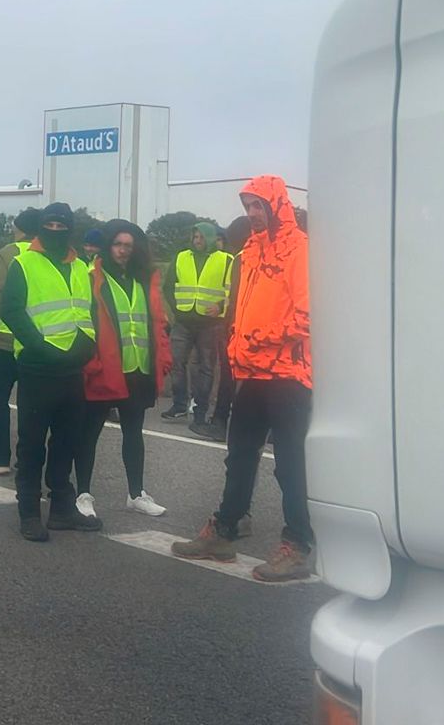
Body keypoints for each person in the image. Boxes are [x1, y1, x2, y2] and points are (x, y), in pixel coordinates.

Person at [172, 176, 315, 582]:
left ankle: (298, 544)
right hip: (251, 371)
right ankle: (225, 529)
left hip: (288, 374)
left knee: (290, 464)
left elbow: (306, 317)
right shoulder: (249, 252)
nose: (252, 212)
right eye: (248, 205)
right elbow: (243, 309)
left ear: (276, 205)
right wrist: (238, 342)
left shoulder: (299, 250)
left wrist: (257, 339)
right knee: (239, 456)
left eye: (259, 205)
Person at [0, 202, 100, 542]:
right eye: (51, 225)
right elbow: (12, 312)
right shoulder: (23, 263)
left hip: (73, 368)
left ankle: (61, 509)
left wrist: (87, 346)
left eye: (62, 226)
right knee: (31, 444)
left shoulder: (81, 266)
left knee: (67, 442)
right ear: (42, 227)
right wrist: (41, 348)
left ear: (70, 228)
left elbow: (88, 312)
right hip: (37, 367)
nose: (56, 230)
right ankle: (29, 511)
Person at [75, 220, 171, 519]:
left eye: (128, 246)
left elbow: (156, 323)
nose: (123, 251)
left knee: (134, 434)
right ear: (108, 246)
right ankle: (83, 494)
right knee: (89, 434)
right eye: (118, 244)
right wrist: (90, 362)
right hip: (104, 369)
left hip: (137, 369)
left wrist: (163, 358)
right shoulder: (93, 278)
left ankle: (136, 493)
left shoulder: (144, 280)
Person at [0, 207, 40, 475]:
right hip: (36, 342)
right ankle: (28, 461)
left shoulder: (8, 253)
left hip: (4, 339)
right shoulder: (48, 255)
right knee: (31, 404)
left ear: (19, 229)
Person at [162, 221, 231, 424]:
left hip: (209, 323)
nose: (197, 241)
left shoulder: (226, 260)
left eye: (201, 237)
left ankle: (200, 409)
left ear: (210, 237)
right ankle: (179, 404)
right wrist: (176, 308)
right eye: (195, 237)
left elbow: (232, 290)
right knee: (176, 363)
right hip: (183, 320)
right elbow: (168, 286)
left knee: (207, 367)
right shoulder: (181, 257)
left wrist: (220, 307)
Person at [195, 215, 254, 442]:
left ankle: (219, 422)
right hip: (254, 330)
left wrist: (226, 327)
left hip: (236, 329)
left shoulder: (241, 258)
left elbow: (236, 297)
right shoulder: (260, 258)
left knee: (228, 379)